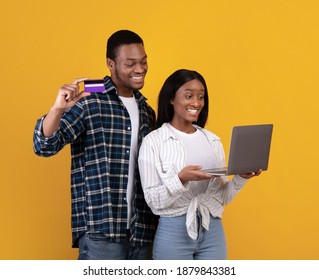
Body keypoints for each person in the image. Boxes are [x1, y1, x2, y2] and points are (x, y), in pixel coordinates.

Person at [33, 30, 157, 260]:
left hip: (142, 233)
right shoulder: (90, 101)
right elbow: (44, 145)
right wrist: (57, 109)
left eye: (143, 61)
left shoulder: (147, 111)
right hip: (101, 232)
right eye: (130, 64)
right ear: (111, 64)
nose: (140, 69)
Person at [138, 69, 262, 260]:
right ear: (171, 98)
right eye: (188, 96)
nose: (196, 103)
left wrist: (241, 178)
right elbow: (153, 201)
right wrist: (180, 179)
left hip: (212, 229)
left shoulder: (212, 141)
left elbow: (224, 198)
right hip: (173, 232)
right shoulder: (153, 142)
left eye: (201, 97)